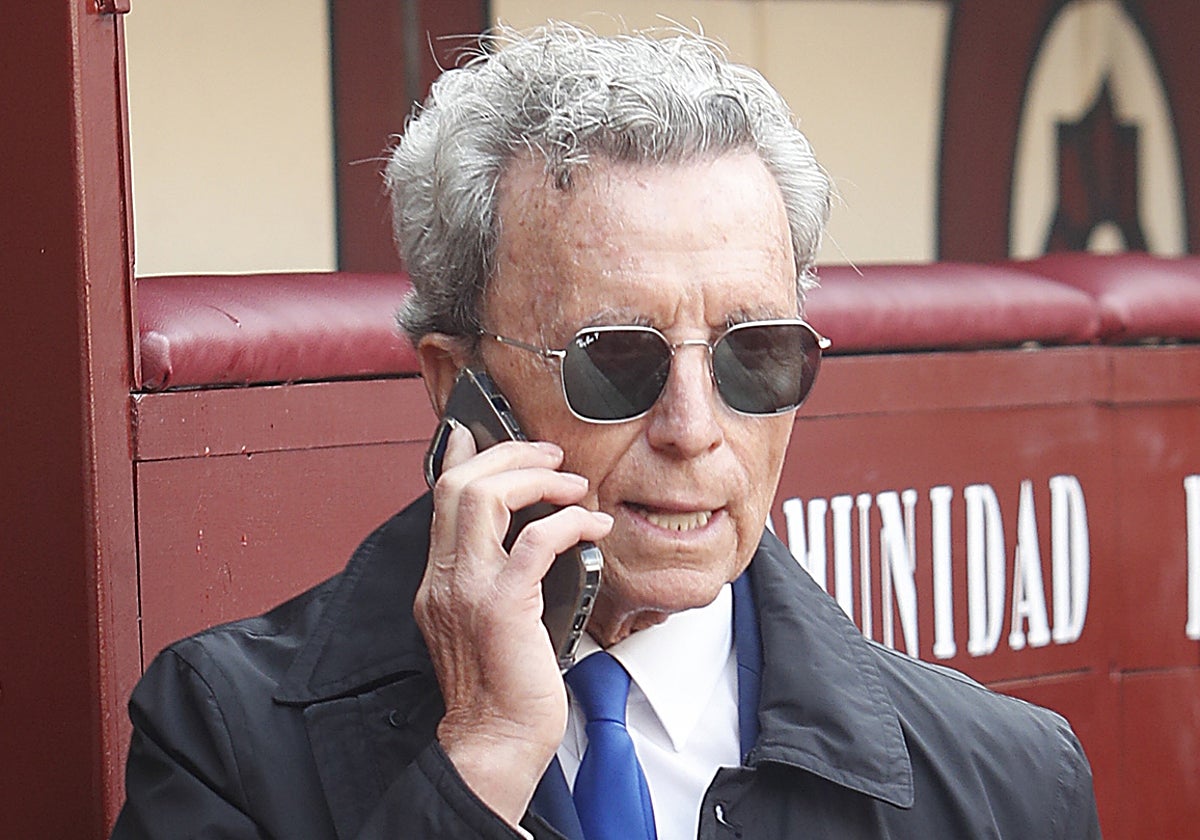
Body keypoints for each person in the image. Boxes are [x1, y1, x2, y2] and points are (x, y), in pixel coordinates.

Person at [112, 22, 1101, 840]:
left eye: (753, 354)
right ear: (462, 387)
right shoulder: (222, 737)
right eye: (616, 360)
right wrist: (484, 762)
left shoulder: (1008, 786)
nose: (694, 428)